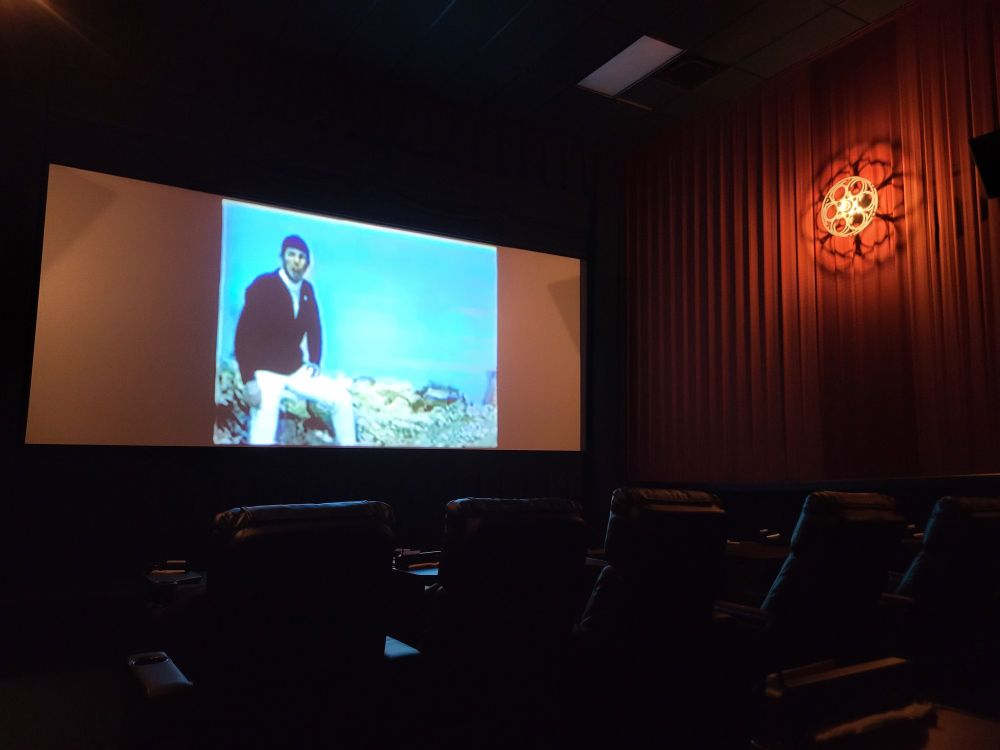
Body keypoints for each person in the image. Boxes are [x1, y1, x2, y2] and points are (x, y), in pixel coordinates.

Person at [234, 234, 357, 445]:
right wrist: (249, 380)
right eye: (291, 254)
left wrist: (316, 361)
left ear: (307, 263)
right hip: (265, 372)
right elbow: (243, 334)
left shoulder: (307, 290)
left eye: (302, 257)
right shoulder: (263, 285)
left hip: (295, 368)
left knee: (342, 400)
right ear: (282, 257)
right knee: (263, 430)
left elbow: (315, 328)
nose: (296, 261)